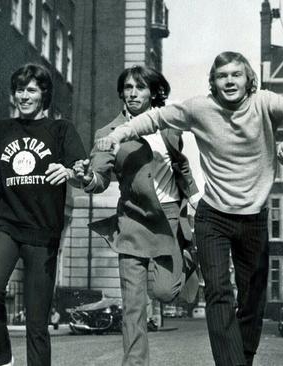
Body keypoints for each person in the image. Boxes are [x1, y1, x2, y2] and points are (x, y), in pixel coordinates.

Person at [95, 52, 283, 366]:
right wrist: (117, 135)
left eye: (236, 75)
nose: (229, 81)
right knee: (219, 293)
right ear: (213, 82)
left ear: (247, 79)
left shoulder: (264, 103)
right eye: (222, 76)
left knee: (253, 297)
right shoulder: (200, 108)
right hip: (214, 217)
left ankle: (244, 358)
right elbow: (155, 118)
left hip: (254, 217)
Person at [73, 65, 201, 366]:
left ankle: (189, 261)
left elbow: (179, 164)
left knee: (165, 291)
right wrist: (87, 176)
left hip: (169, 219)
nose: (133, 93)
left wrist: (193, 197)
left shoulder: (168, 125)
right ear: (121, 92)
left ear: (152, 92)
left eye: (140, 87)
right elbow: (100, 178)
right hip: (132, 222)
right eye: (128, 87)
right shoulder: (108, 133)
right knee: (133, 307)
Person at [0, 63, 86, 366]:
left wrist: (68, 171)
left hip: (43, 231)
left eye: (31, 90)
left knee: (37, 324)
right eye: (20, 90)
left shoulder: (61, 130)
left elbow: (80, 171)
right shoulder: (1, 129)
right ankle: (2, 359)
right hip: (8, 224)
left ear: (44, 94)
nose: (23, 96)